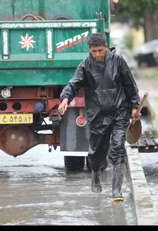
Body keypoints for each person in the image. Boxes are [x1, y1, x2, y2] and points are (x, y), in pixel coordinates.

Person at [58, 33, 141, 201]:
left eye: (100, 50)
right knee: (96, 153)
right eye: (94, 51)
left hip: (119, 111)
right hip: (97, 114)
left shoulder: (118, 62)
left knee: (117, 147)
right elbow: (73, 84)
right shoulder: (85, 65)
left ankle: (116, 190)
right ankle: (95, 174)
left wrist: (134, 106)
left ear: (106, 48)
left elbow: (130, 85)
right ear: (89, 50)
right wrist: (65, 98)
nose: (97, 54)